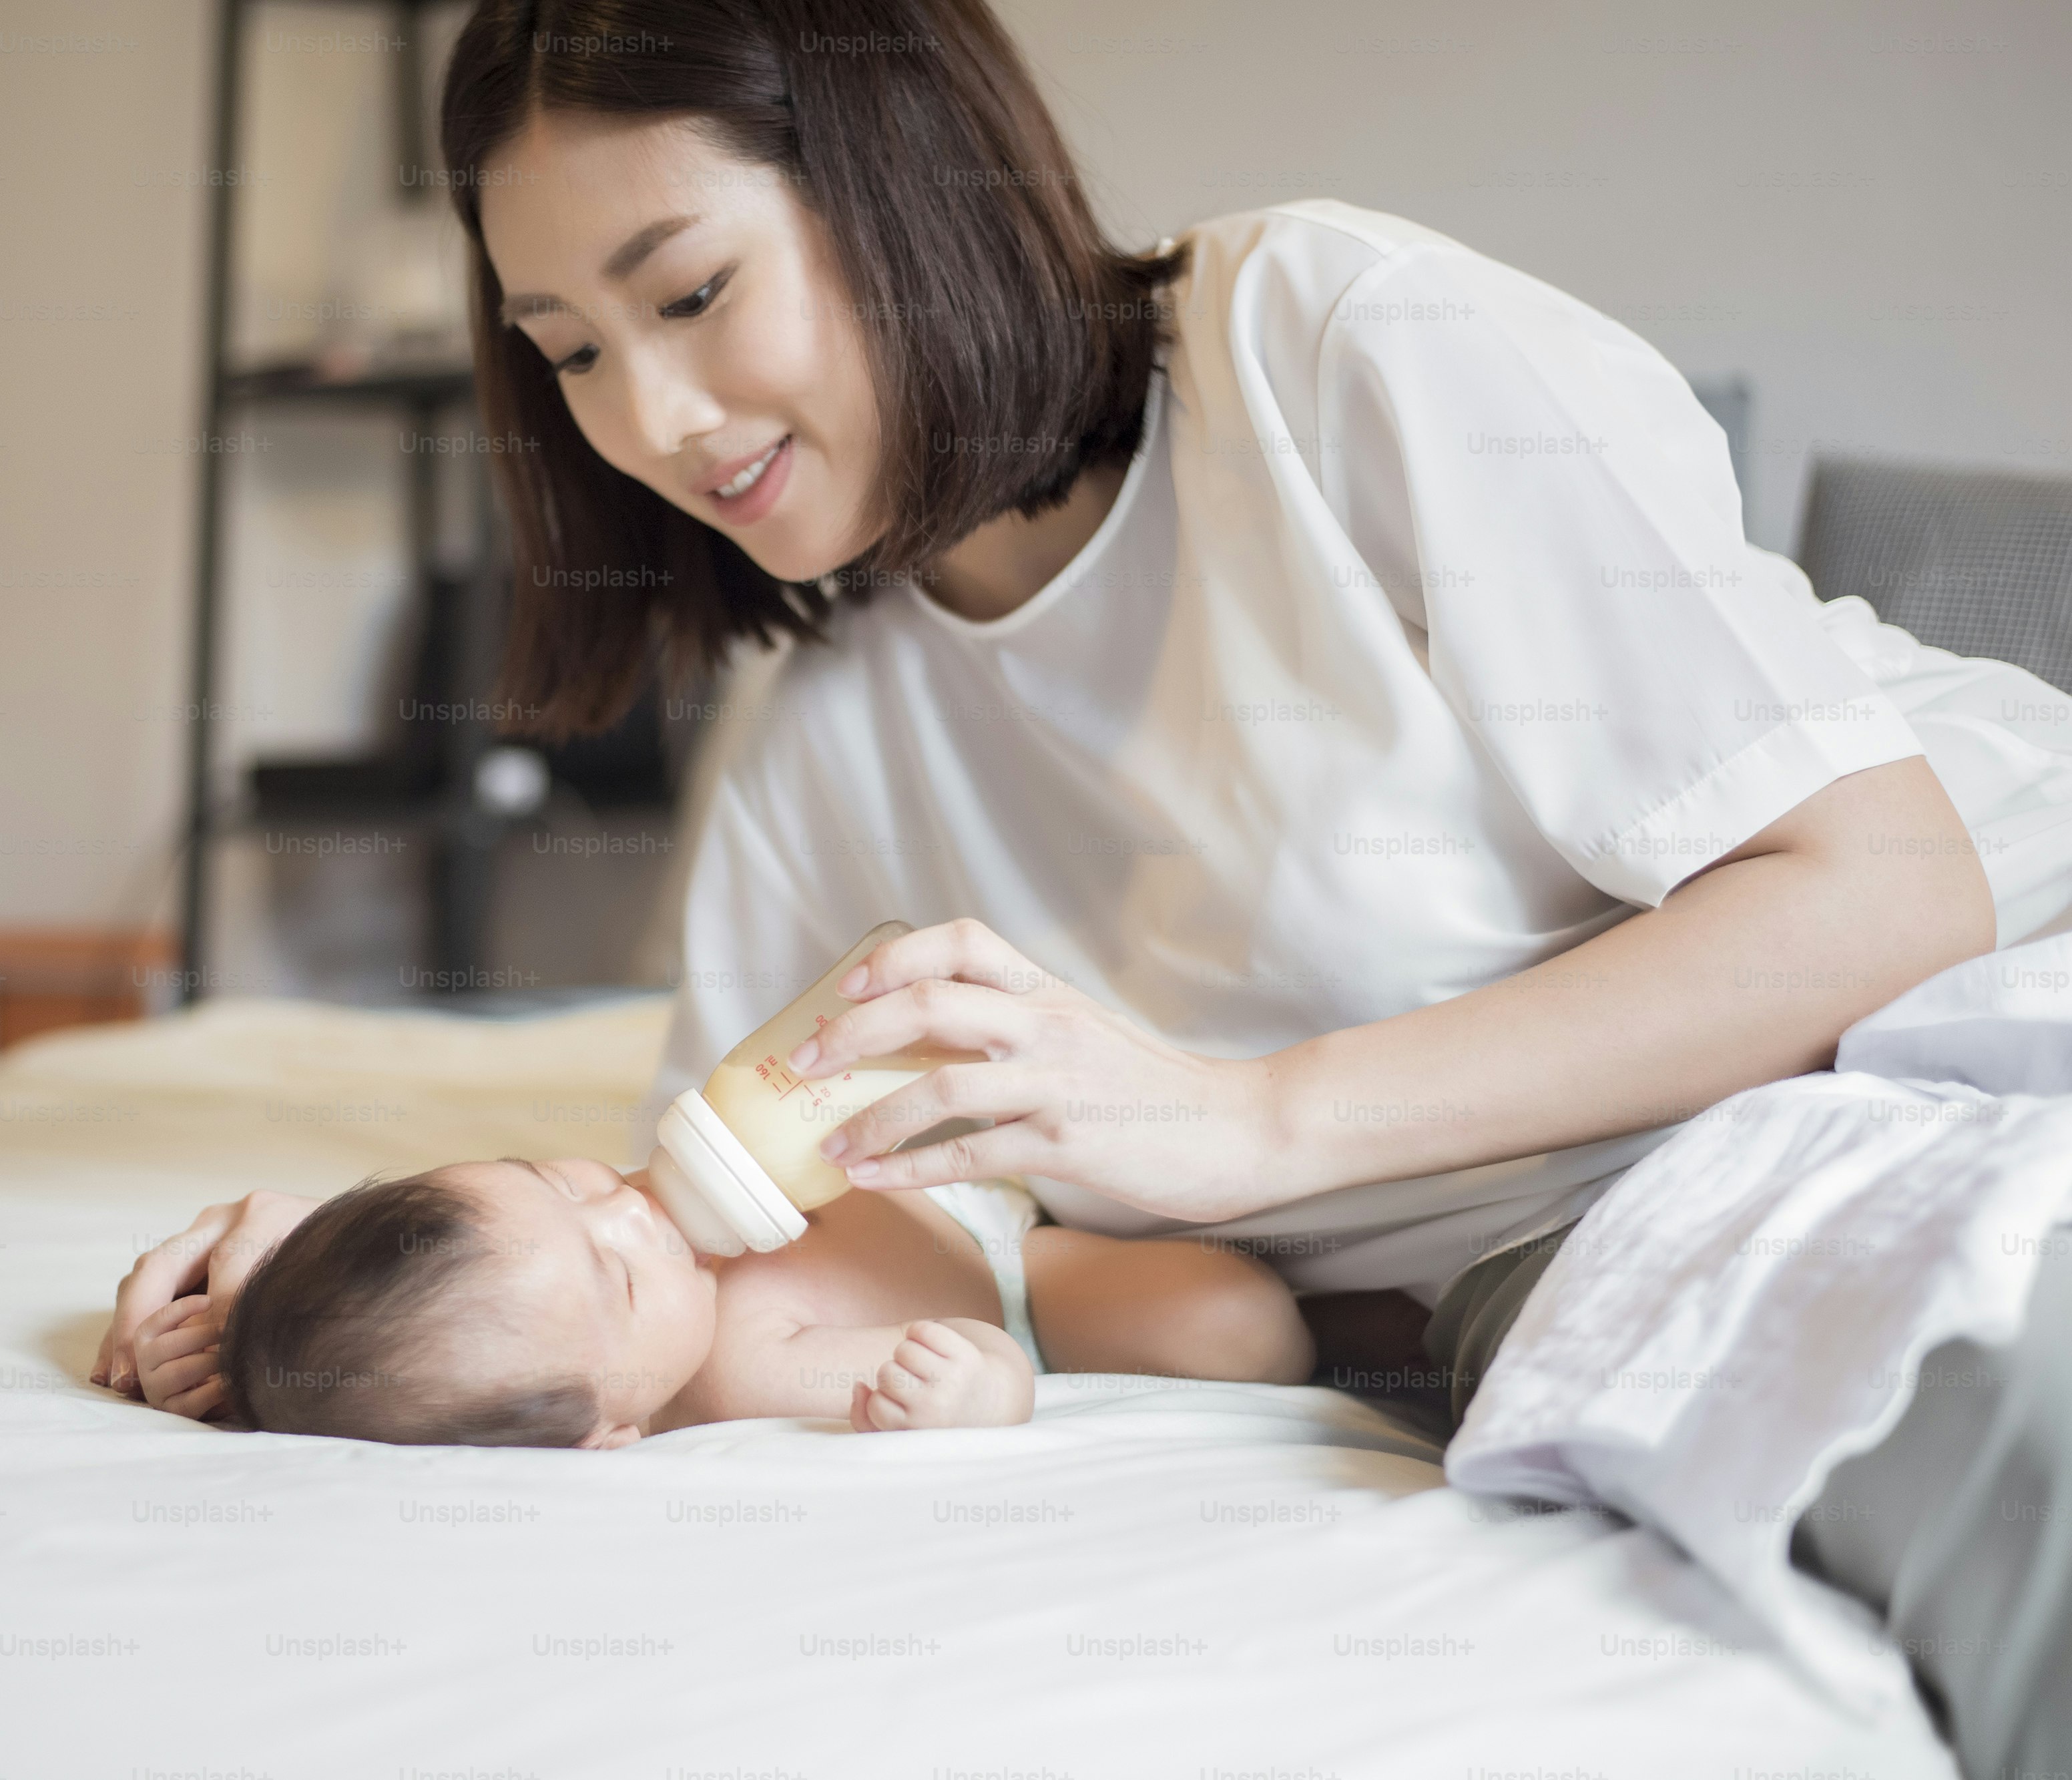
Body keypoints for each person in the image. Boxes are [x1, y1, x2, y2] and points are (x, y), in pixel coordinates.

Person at [101, 1, 2072, 1769]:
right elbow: (698, 1263)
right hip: (1592, 1249)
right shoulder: (823, 732)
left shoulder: (1324, 346)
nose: (652, 423)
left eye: (689, 292)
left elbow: (1886, 884)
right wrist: (331, 1284)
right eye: (571, 355)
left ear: (899, 177)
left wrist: (1253, 1125)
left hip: (1946, 1025)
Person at [121, 1164, 1309, 1444]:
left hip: (919, 1169)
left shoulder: (489, 1254)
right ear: (609, 1430)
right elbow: (973, 1355)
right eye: (622, 1278)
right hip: (1007, 1264)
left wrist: (264, 1253)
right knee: (1246, 1329)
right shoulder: (749, 1368)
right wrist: (976, 1391)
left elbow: (371, 1258)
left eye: (562, 1180)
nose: (631, 1211)